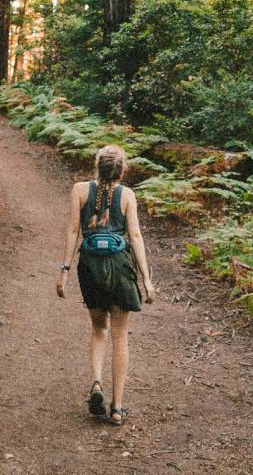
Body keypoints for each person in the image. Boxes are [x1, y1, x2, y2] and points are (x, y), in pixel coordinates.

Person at [55, 144, 155, 425]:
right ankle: (117, 407)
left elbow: (74, 231)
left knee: (99, 327)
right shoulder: (127, 195)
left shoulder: (79, 190)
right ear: (122, 170)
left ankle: (97, 382)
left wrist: (64, 270)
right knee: (120, 336)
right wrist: (146, 279)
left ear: (96, 166)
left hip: (90, 267)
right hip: (119, 268)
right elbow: (134, 237)